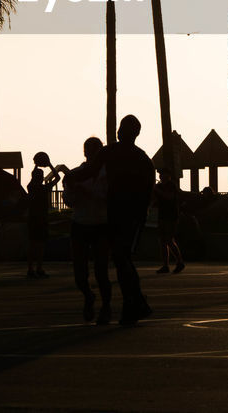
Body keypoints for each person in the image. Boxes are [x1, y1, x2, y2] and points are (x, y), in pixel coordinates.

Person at [102, 114, 156, 325]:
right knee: (122, 260)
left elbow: (90, 170)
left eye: (122, 128)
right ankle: (134, 303)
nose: (119, 131)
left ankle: (133, 303)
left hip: (125, 216)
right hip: (123, 215)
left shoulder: (119, 154)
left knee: (122, 259)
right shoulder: (140, 158)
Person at [63, 136, 113, 323]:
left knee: (101, 271)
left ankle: (106, 307)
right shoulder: (76, 174)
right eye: (89, 150)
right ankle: (88, 295)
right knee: (79, 274)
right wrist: (74, 191)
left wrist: (89, 193)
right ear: (84, 152)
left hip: (101, 225)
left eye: (95, 150)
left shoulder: (108, 175)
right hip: (80, 224)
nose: (91, 154)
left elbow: (109, 198)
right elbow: (68, 201)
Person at [26, 156, 65, 278]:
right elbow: (58, 177)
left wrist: (36, 164)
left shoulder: (31, 187)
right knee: (40, 245)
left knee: (32, 244)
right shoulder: (44, 188)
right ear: (42, 178)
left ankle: (30, 269)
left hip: (32, 218)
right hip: (42, 218)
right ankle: (39, 268)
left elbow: (34, 176)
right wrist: (50, 165)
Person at [152, 167, 184, 274]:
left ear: (169, 175)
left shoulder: (171, 185)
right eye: (160, 174)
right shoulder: (159, 186)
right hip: (162, 215)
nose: (161, 176)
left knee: (169, 239)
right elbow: (155, 200)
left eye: (164, 174)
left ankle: (179, 262)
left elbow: (169, 197)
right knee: (162, 241)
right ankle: (165, 265)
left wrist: (156, 190)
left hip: (171, 216)